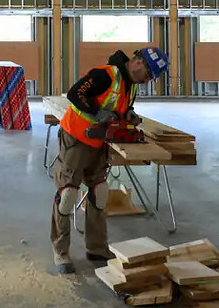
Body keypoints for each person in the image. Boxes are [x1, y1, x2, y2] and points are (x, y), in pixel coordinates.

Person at [50, 46, 170, 274]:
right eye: (147, 75)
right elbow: (75, 94)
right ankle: (61, 251)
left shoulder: (131, 85)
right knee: (67, 194)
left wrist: (128, 115)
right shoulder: (105, 75)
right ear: (137, 62)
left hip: (100, 143)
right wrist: (97, 112)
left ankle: (96, 248)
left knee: (99, 193)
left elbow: (119, 107)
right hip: (77, 138)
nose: (146, 81)